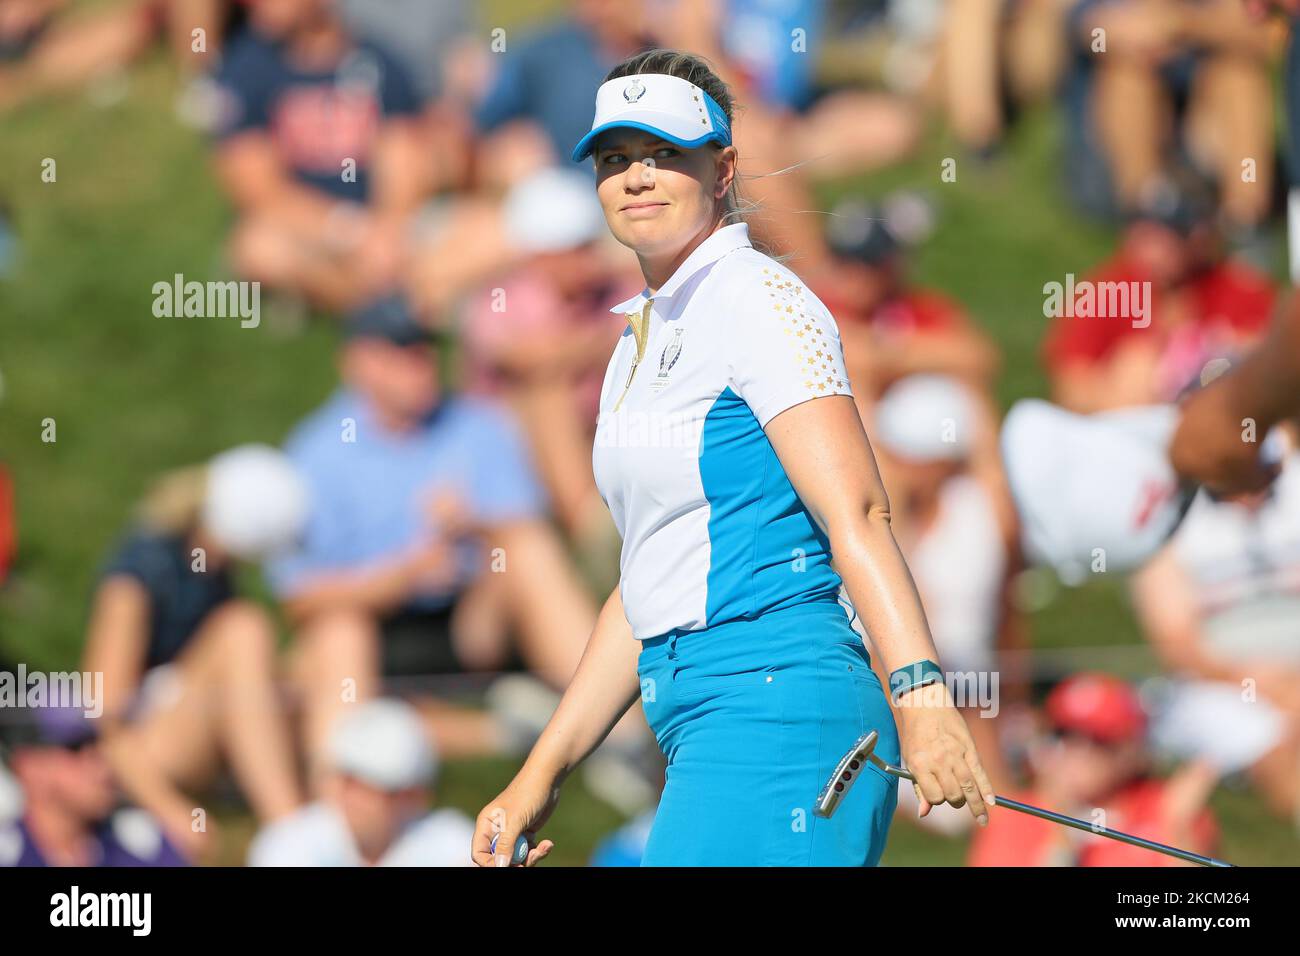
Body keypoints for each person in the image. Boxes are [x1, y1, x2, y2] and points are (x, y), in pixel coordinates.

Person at [472, 49, 996, 869]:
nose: (637, 177)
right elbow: (647, 584)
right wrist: (539, 775)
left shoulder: (760, 300)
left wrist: (923, 693)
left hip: (779, 701)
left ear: (722, 171)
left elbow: (855, 509)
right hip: (702, 714)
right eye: (616, 160)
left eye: (665, 155)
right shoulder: (636, 341)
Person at [268, 295, 596, 783]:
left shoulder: (477, 424)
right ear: (359, 363)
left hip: (472, 618)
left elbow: (527, 528)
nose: (421, 365)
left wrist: (475, 527)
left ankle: (620, 733)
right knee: (336, 633)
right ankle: (346, 794)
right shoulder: (315, 453)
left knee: (526, 550)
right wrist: (401, 576)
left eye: (424, 349)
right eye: (403, 352)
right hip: (377, 632)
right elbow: (299, 599)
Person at [81, 444, 307, 861]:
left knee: (313, 654)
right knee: (246, 629)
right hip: (145, 756)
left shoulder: (213, 570)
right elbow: (103, 719)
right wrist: (168, 808)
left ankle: (333, 806)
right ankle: (290, 829)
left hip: (188, 722)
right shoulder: (135, 580)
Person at [210, 0, 428, 311]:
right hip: (310, 232)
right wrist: (353, 233)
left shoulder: (380, 62)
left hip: (384, 233)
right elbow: (261, 194)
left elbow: (404, 165)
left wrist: (387, 232)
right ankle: (381, 309)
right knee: (257, 248)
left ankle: (381, 304)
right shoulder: (243, 70)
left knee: (479, 230)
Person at [1131, 434, 1300, 820]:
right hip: (1216, 684)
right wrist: (1263, 682)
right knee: (1270, 738)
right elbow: (1178, 643)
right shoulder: (1167, 513)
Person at [1044, 187, 1276, 413]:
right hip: (1122, 427)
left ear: (1200, 239)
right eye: (1145, 233)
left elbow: (1277, 367)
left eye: (1168, 237)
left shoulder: (1240, 288)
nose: (1154, 250)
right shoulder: (1104, 290)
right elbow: (1070, 390)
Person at [968, 673, 1221, 866]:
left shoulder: (1167, 806)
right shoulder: (1019, 816)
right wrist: (1061, 837)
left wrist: (1179, 828)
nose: (1076, 750)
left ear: (1129, 750)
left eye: (1097, 740)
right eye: (1064, 734)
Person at [247, 699, 474, 866]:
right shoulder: (288, 842)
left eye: (375, 787)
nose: (354, 797)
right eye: (349, 780)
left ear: (414, 796)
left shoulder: (453, 839)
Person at [0, 705, 189, 866]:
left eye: (100, 748)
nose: (103, 767)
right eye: (76, 749)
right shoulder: (7, 853)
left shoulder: (142, 844)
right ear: (29, 766)